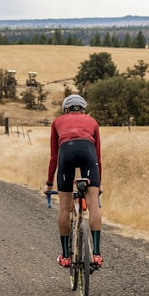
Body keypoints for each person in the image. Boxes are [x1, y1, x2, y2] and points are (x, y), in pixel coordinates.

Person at [45, 94, 103, 268]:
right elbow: (98, 157)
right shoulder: (92, 122)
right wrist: (98, 184)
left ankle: (65, 256)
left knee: (64, 206)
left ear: (65, 110)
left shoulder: (57, 122)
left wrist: (48, 183)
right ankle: (97, 255)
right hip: (88, 153)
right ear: (83, 109)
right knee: (93, 203)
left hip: (66, 153)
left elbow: (54, 157)